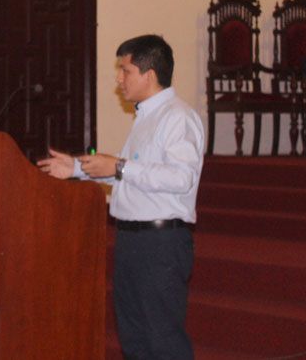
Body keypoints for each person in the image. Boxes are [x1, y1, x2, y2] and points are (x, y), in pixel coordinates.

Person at [38, 34, 204, 360]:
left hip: (160, 244)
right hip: (132, 241)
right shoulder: (146, 117)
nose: (119, 78)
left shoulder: (177, 117)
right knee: (135, 340)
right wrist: (76, 169)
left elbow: (180, 178)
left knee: (162, 342)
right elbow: (130, 176)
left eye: (125, 70)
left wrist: (120, 166)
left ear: (149, 74)